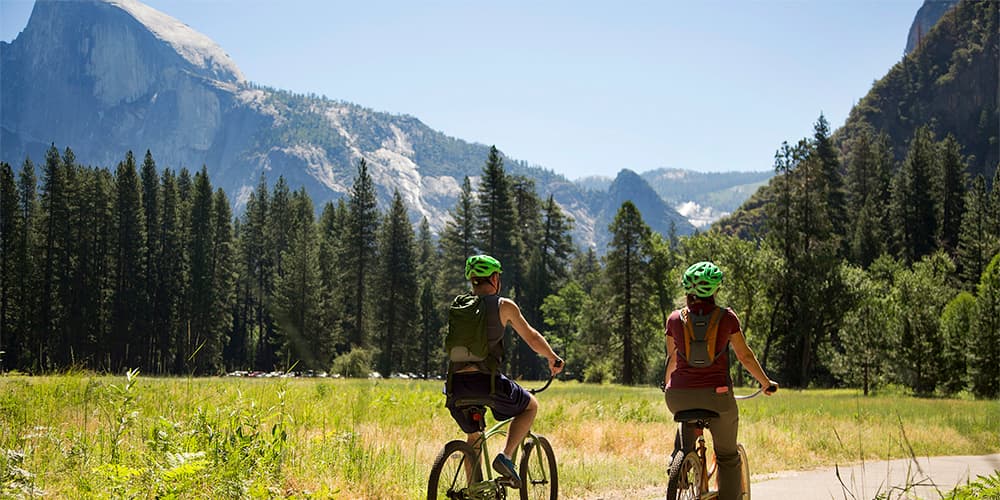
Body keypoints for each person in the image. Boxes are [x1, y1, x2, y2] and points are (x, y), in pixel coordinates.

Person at [446, 254, 564, 488]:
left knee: (474, 439)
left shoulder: (460, 306)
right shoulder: (504, 305)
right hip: (486, 383)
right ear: (494, 279)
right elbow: (532, 337)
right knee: (530, 406)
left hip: (456, 386)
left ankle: (474, 490)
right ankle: (506, 457)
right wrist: (553, 357)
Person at [663, 261, 777, 500]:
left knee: (685, 423)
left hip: (678, 397)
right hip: (717, 397)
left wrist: (668, 387)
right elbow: (745, 357)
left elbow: (671, 360)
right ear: (715, 290)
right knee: (727, 456)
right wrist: (765, 383)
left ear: (687, 290)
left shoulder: (674, 319)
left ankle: (679, 462)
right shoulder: (727, 318)